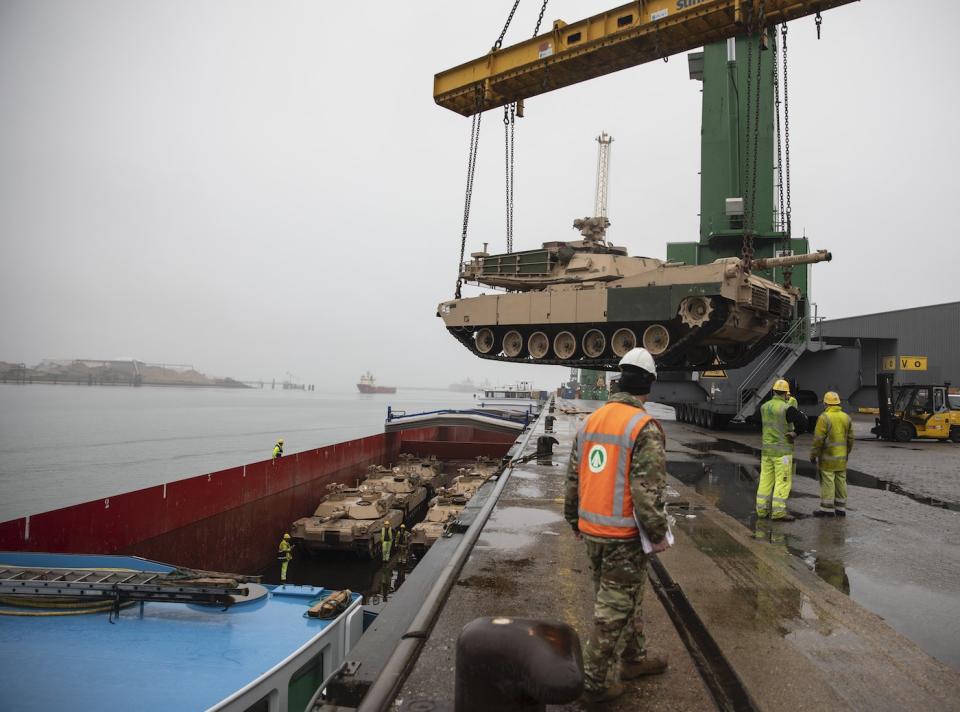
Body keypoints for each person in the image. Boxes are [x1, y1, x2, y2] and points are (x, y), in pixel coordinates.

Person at [564, 347, 670, 704]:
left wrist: (573, 519)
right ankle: (594, 684)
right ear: (649, 385)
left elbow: (573, 479)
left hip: (593, 530)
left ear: (618, 381)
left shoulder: (591, 421)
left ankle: (634, 659)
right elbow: (646, 493)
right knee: (614, 609)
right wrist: (657, 533)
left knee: (628, 597)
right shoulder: (644, 427)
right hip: (624, 536)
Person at [756, 379, 804, 521]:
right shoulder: (786, 408)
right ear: (786, 394)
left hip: (767, 452)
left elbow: (754, 420)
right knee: (782, 481)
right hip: (782, 453)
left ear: (773, 391)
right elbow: (803, 422)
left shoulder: (764, 407)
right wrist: (795, 433)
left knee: (765, 481)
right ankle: (778, 512)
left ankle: (761, 510)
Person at [810, 391, 854, 517]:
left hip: (827, 458)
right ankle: (841, 508)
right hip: (841, 458)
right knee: (841, 481)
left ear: (825, 403)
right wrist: (846, 453)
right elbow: (851, 439)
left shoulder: (824, 417)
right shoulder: (846, 417)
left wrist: (813, 455)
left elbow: (818, 439)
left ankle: (827, 509)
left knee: (828, 481)